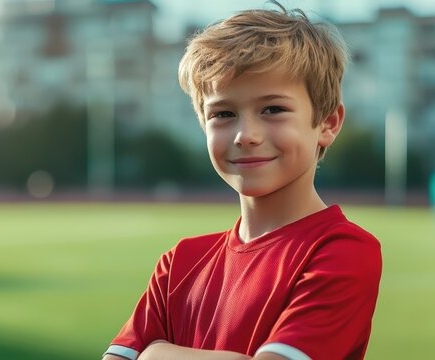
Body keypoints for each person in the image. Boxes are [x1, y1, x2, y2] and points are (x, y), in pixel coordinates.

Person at [102, 1, 382, 360]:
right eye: (223, 113)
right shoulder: (178, 264)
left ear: (327, 123)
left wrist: (156, 354)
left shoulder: (342, 251)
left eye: (273, 109)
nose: (245, 135)